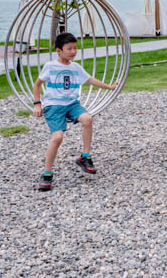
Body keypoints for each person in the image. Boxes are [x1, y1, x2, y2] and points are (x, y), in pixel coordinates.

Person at [32, 32, 119, 191]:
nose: (73, 52)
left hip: (72, 104)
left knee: (87, 119)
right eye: (69, 48)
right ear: (59, 50)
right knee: (57, 138)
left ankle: (85, 157)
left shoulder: (75, 67)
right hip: (53, 106)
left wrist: (109, 87)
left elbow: (90, 79)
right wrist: (37, 104)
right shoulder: (50, 67)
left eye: (75, 48)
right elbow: (37, 85)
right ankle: (47, 173)